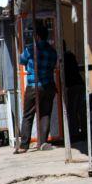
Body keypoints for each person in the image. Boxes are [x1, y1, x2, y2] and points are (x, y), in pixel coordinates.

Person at [16, 24, 58, 152]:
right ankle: (43, 142)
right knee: (45, 114)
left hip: (34, 86)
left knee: (28, 114)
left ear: (37, 36)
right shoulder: (52, 51)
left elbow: (21, 60)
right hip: (49, 86)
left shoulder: (30, 49)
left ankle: (24, 145)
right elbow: (53, 65)